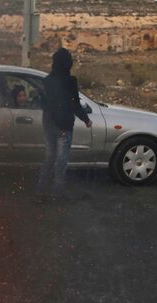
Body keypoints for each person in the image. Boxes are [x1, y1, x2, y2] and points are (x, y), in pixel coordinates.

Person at [37, 48, 92, 199]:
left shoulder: (46, 80)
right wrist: (86, 119)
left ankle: (41, 188)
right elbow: (74, 103)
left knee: (50, 156)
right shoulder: (70, 81)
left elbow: (43, 102)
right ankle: (57, 191)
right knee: (61, 159)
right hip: (64, 124)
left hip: (49, 122)